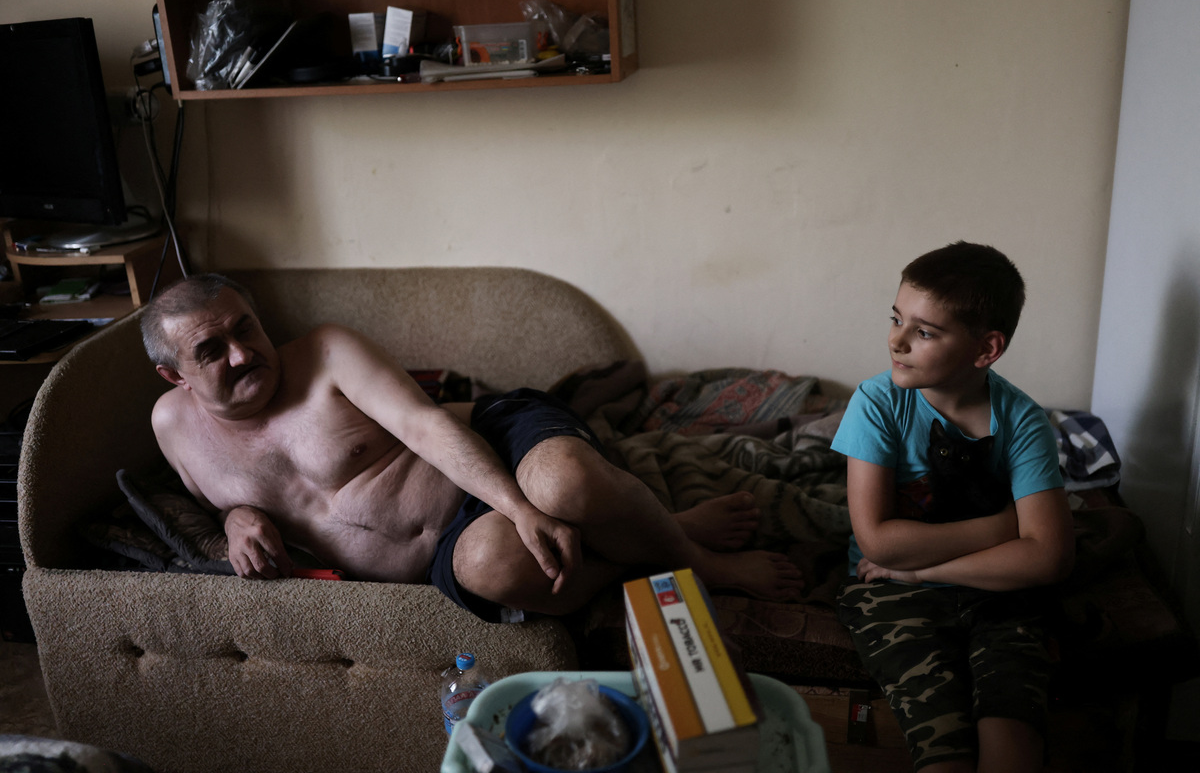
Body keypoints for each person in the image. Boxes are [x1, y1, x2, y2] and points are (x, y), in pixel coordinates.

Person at [139, 273, 804, 623]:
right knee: (497, 570)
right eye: (211, 350)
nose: (242, 353)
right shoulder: (173, 429)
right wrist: (237, 519)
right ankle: (655, 541)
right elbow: (215, 505)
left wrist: (520, 507)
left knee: (564, 487)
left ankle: (696, 560)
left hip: (490, 446)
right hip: (447, 548)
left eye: (246, 329)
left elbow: (428, 427)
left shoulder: (327, 353)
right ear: (174, 376)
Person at [831, 242, 1075, 772]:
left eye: (924, 332)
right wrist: (1005, 527)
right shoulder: (877, 403)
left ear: (986, 349)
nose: (896, 340)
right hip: (888, 590)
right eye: (896, 318)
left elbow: (1049, 557)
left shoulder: (1022, 420)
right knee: (943, 751)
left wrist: (922, 570)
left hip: (995, 591)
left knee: (1012, 745)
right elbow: (879, 544)